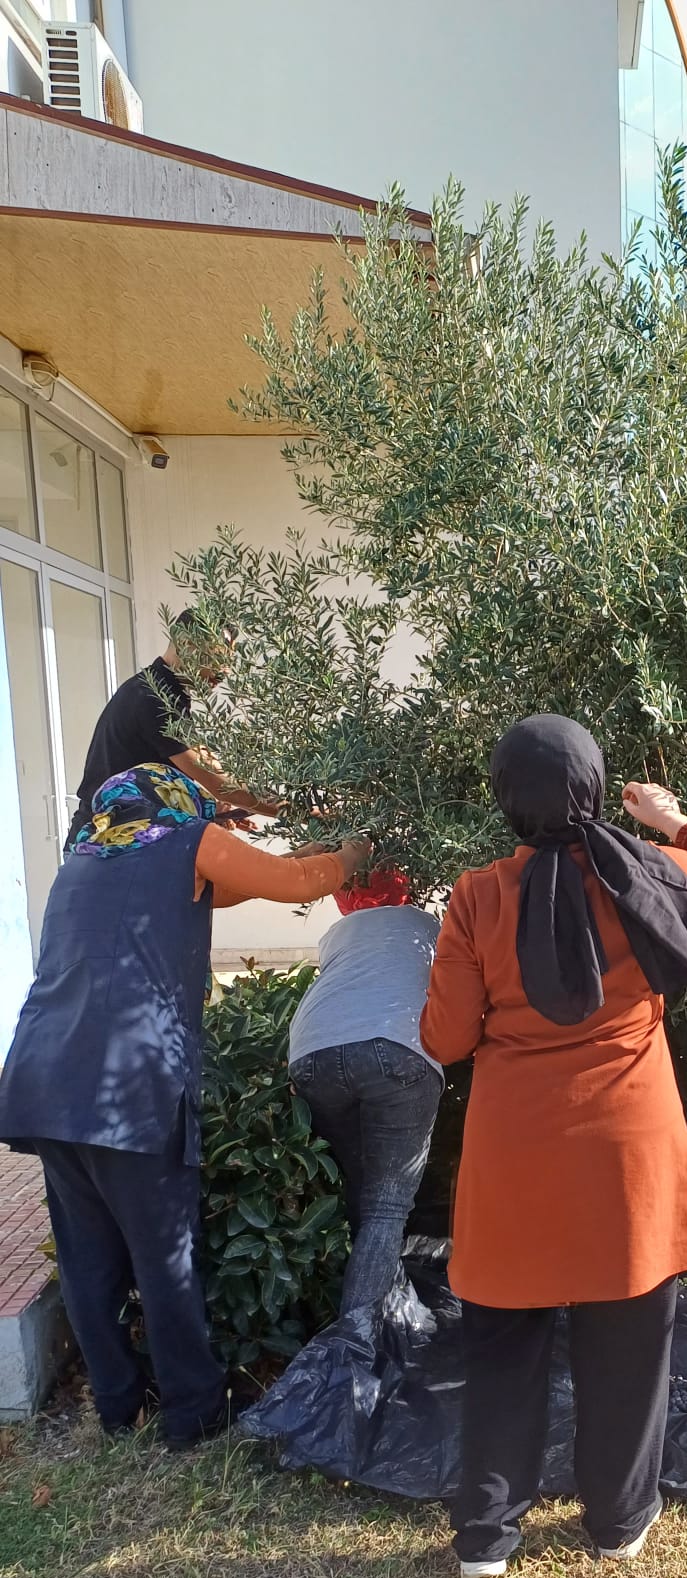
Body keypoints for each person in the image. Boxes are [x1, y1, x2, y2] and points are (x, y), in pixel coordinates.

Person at [421, 717, 687, 1578]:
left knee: (503, 1341)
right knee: (629, 1337)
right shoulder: (648, 868)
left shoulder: (475, 896)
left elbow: (447, 1038)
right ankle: (616, 1519)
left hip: (515, 1156)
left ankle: (488, 1537)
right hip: (628, 1151)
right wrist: (674, 819)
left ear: (505, 798)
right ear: (598, 787)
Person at [0, 764, 369, 1446]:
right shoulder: (184, 839)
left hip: (44, 1080)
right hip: (128, 1085)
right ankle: (194, 1413)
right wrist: (351, 854)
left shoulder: (86, 856)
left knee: (88, 1260)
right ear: (177, 807)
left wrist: (262, 842)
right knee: (164, 1254)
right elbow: (290, 884)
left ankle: (116, 1408)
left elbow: (220, 891)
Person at [287, 869, 443, 1328]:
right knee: (387, 1205)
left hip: (312, 1052)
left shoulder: (338, 933)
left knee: (363, 1192)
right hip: (397, 1048)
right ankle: (356, 1346)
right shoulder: (427, 925)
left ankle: (389, 1307)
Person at [66, 608, 275, 844]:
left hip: (115, 840)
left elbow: (204, 773)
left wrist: (213, 810)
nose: (224, 671)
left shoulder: (159, 689)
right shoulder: (157, 698)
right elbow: (221, 783)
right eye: (217, 658)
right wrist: (300, 811)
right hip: (105, 846)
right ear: (186, 642)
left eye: (229, 661)